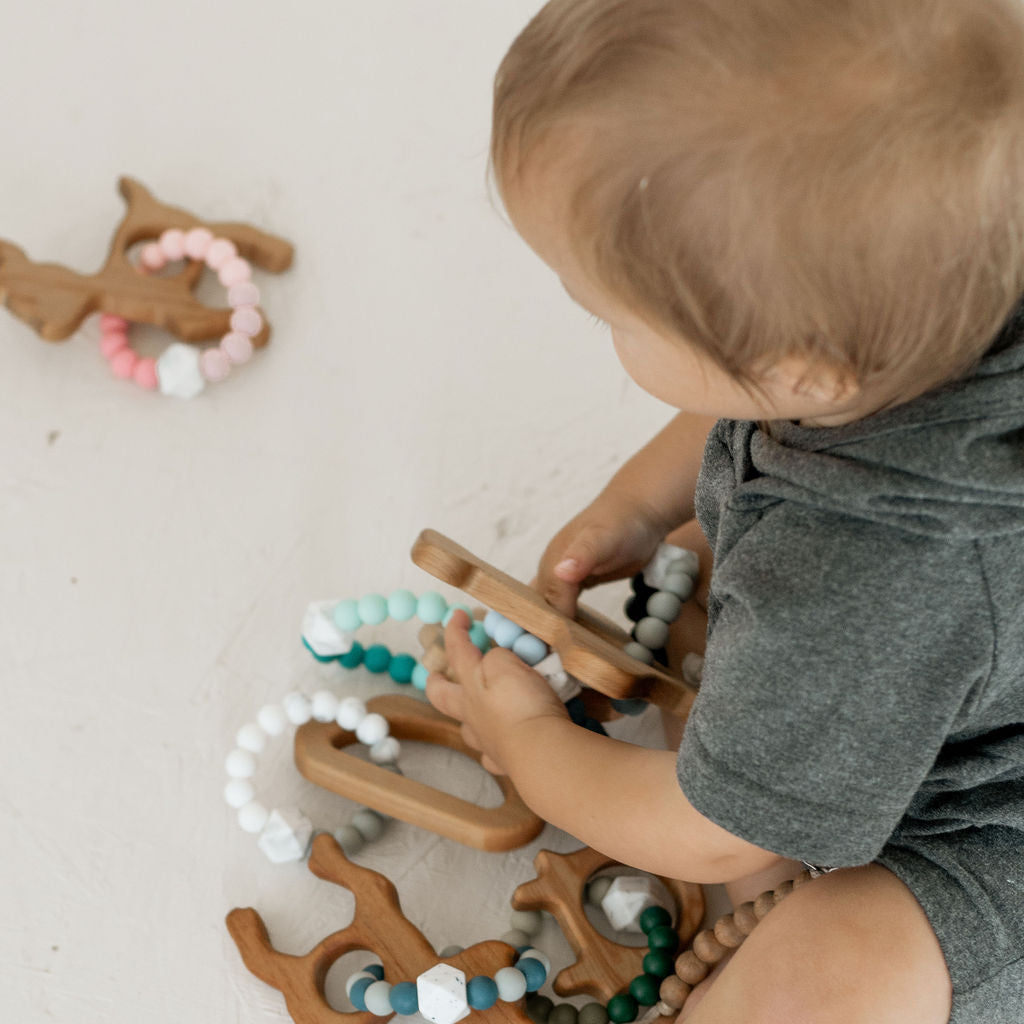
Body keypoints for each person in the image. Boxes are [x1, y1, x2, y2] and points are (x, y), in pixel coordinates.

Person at [424, 2, 1024, 1021]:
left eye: (601, 309)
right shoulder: (950, 266)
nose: (585, 314)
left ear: (801, 370)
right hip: (955, 663)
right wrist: (636, 504)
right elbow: (741, 398)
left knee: (834, 971)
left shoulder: (860, 573)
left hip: (991, 825)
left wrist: (531, 745)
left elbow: (709, 833)